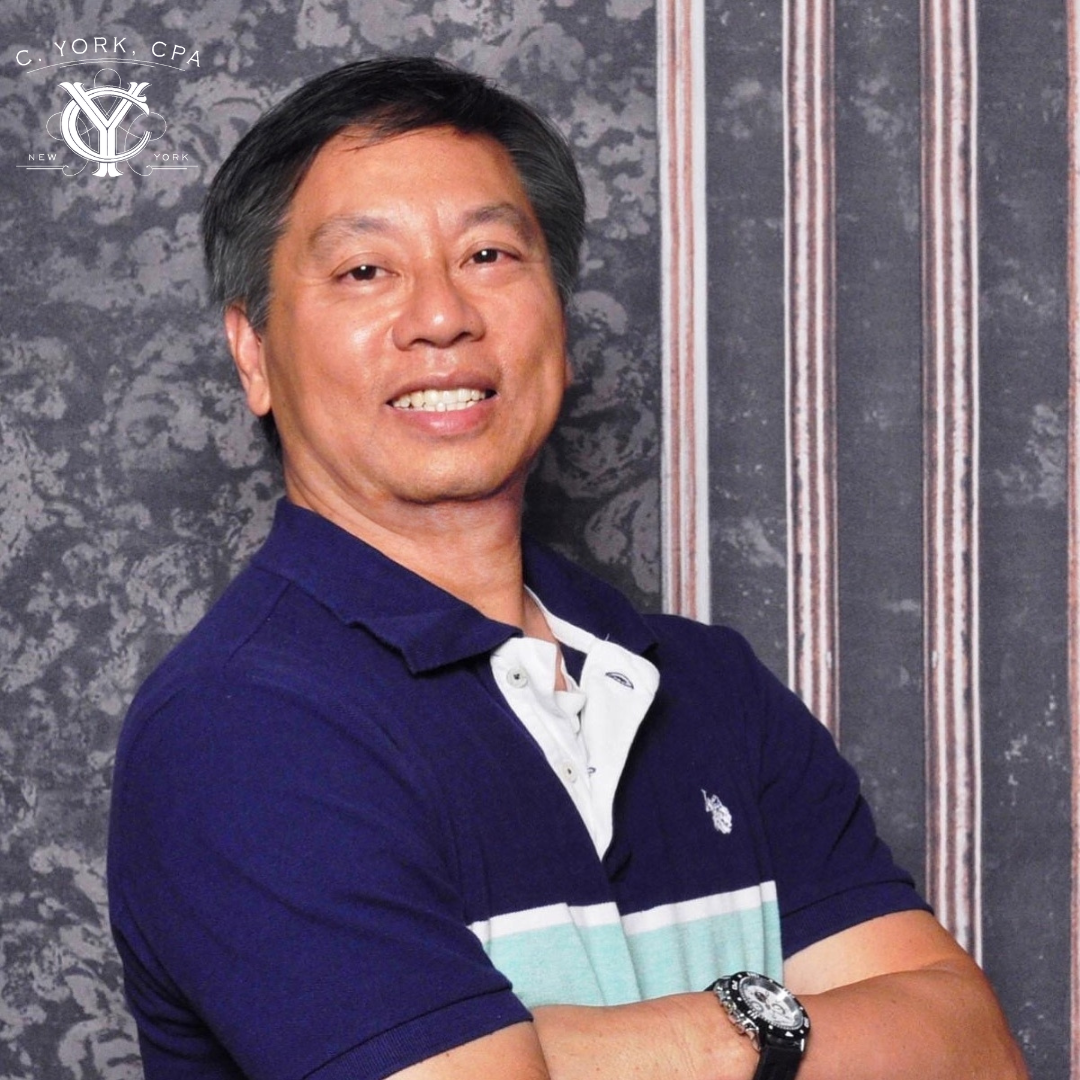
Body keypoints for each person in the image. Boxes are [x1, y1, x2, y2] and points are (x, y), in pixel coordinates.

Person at [107, 56, 1027, 1080]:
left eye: (491, 254)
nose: (442, 316)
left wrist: (619, 1045)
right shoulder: (241, 728)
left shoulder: (711, 688)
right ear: (253, 354)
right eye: (366, 271)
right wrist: (802, 1031)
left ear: (561, 315)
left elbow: (973, 1051)